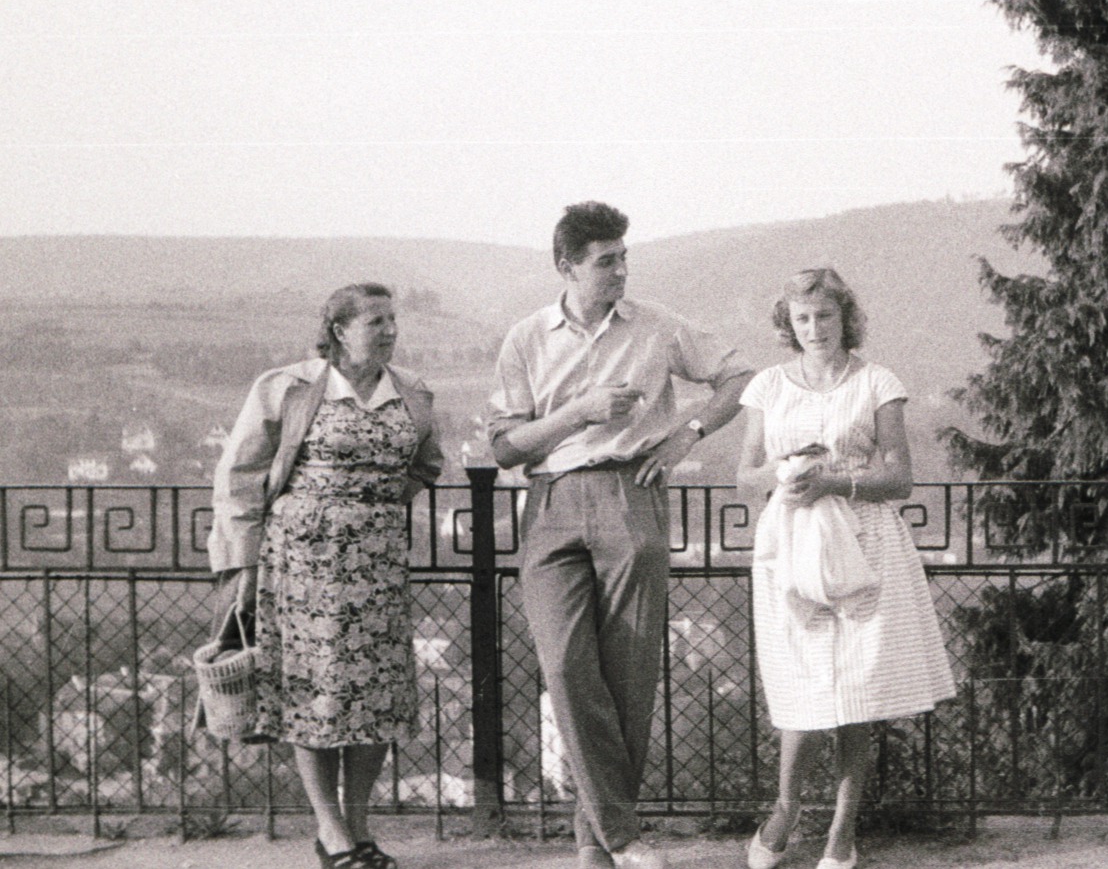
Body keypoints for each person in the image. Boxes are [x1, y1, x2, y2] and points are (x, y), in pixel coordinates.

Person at [488, 201, 752, 869]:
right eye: (606, 261)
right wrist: (578, 411)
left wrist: (686, 432)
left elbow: (739, 377)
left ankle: (593, 843)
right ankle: (621, 832)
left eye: (624, 257)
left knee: (628, 676)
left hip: (630, 494)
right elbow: (505, 446)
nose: (621, 271)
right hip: (549, 504)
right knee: (565, 667)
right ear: (565, 266)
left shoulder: (658, 327)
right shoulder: (525, 338)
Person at [207, 283, 443, 869]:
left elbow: (428, 462)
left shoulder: (410, 391)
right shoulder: (287, 388)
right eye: (375, 322)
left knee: (373, 699)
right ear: (338, 330)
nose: (389, 331)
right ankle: (331, 831)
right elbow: (238, 477)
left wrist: (374, 505)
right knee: (310, 697)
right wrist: (241, 564)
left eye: (393, 320)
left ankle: (360, 829)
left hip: (379, 569)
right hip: (300, 570)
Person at [737, 268, 956, 869]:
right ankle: (785, 810)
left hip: (867, 540)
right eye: (802, 318)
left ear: (844, 317)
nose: (815, 329)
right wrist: (786, 471)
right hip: (791, 544)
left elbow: (900, 477)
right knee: (801, 685)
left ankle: (842, 830)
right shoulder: (766, 387)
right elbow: (746, 475)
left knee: (858, 690)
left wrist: (834, 480)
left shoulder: (877, 381)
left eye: (825, 316)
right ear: (789, 323)